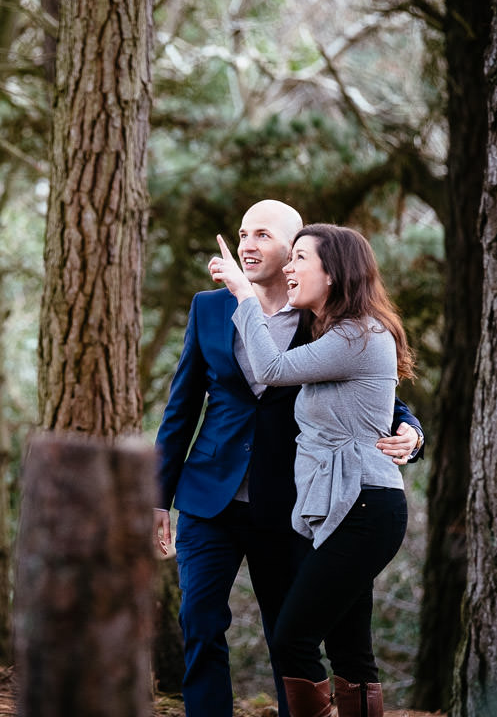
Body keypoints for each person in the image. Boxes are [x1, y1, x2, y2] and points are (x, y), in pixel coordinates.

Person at [155, 201, 423, 717]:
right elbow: (180, 406)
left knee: (289, 635)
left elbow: (375, 392)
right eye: (242, 234)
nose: (247, 245)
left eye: (263, 235)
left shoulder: (324, 316)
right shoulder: (208, 308)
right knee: (200, 624)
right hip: (210, 494)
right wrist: (158, 497)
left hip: (291, 506)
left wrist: (411, 431)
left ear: (294, 250)